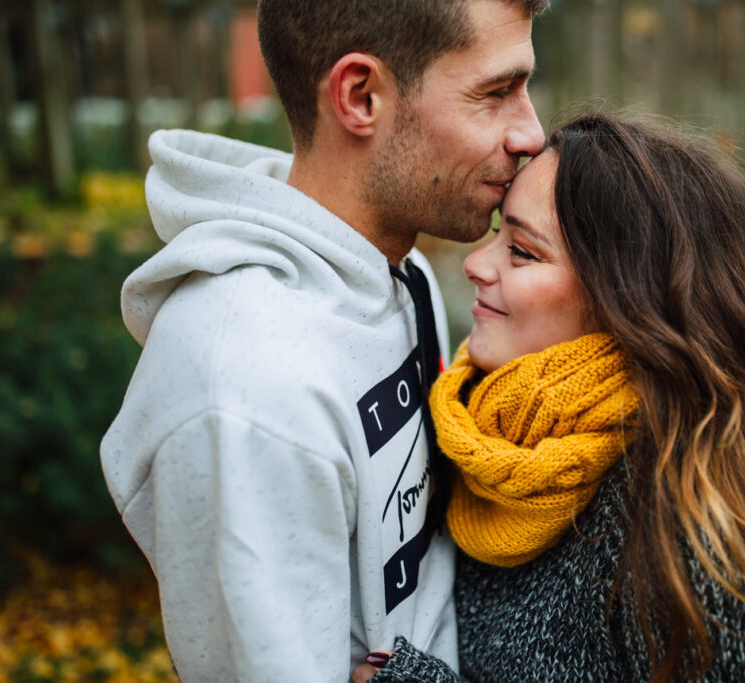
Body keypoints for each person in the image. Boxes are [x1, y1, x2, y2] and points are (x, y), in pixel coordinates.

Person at [100, 0, 547, 680]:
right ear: (360, 96)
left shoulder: (404, 273)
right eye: (496, 92)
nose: (531, 133)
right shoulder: (246, 387)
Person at [354, 113, 745, 682]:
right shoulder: (491, 437)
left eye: (524, 252)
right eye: (496, 236)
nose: (476, 264)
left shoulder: (693, 531)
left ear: (628, 301)